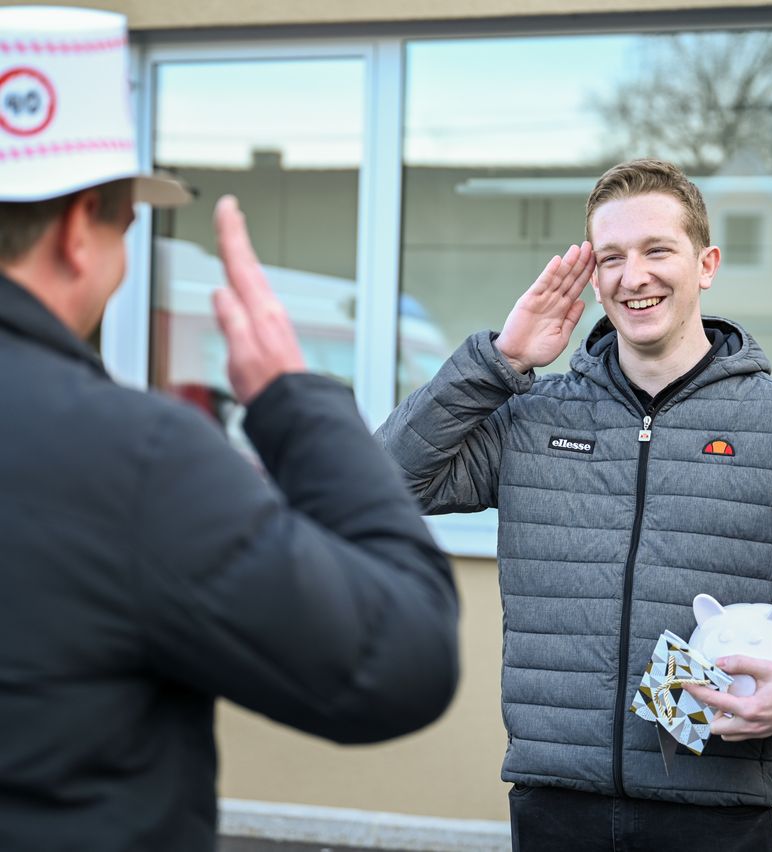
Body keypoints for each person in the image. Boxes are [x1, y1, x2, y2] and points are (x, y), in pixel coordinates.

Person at [0, 6, 458, 850]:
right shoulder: (134, 461)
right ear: (78, 233)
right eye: (126, 226)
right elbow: (404, 653)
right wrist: (293, 398)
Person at [377, 158, 772, 851]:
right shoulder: (531, 415)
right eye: (612, 257)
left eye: (658, 250)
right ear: (594, 279)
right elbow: (384, 480)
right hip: (555, 805)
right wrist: (502, 359)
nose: (634, 277)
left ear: (706, 264)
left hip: (717, 810)